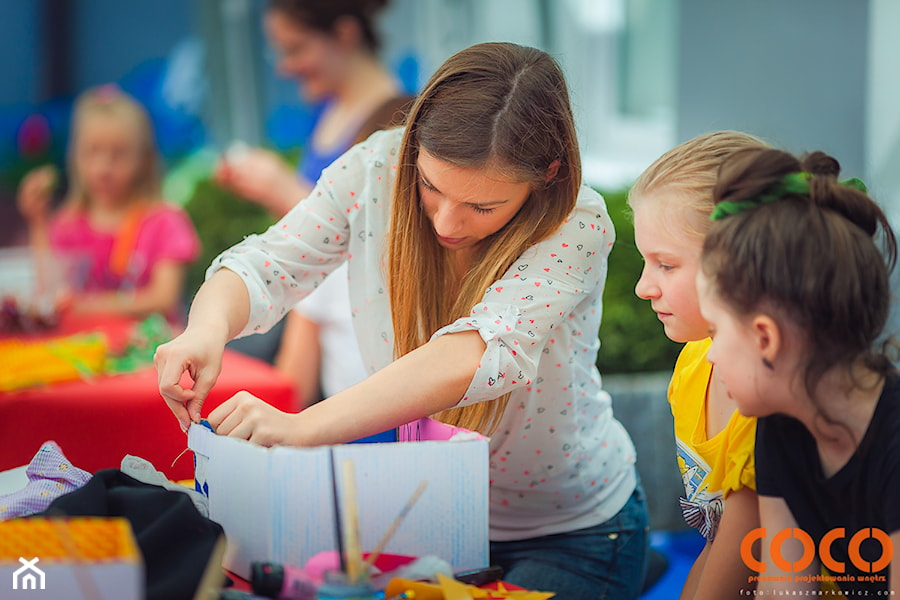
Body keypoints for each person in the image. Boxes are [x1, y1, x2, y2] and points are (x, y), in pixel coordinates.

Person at [156, 42, 648, 598]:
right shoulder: (375, 168)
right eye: (430, 186)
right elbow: (266, 263)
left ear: (549, 173)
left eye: (481, 207)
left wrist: (302, 427)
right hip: (423, 519)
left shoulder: (576, 220)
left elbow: (477, 354)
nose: (446, 220)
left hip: (571, 534)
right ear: (415, 144)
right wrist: (205, 328)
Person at [697, 148, 900, 594]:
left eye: (715, 330)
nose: (709, 355)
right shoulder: (781, 426)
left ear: (765, 337)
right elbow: (785, 587)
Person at [217, 0, 413, 394]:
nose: (282, 66)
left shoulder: (394, 126)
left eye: (296, 48)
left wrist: (284, 190)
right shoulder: (331, 110)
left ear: (344, 34)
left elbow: (381, 242)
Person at [630, 131, 770, 598]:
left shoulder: (766, 404)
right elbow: (715, 545)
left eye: (665, 265)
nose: (643, 287)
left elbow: (740, 563)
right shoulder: (693, 363)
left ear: (737, 266)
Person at [17, 85, 200, 324]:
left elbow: (163, 299)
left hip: (150, 353)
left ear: (144, 159)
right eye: (91, 152)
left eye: (118, 154)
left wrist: (86, 306)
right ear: (74, 156)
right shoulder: (67, 223)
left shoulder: (165, 221)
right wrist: (38, 222)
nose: (103, 168)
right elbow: (49, 291)